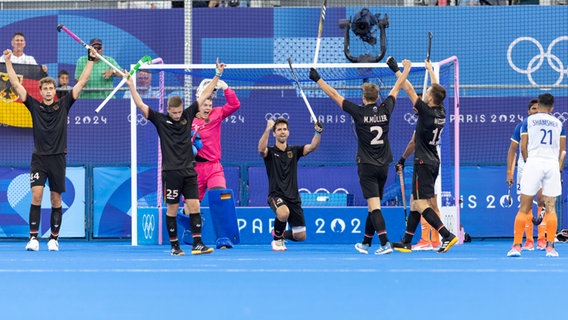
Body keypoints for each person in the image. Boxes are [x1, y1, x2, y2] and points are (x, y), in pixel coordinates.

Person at [124, 58, 226, 256]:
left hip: (189, 171)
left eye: (180, 112)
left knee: (194, 206)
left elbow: (205, 94)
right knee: (172, 210)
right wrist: (131, 85)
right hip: (171, 173)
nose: (178, 115)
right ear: (168, 110)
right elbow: (140, 105)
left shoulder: (188, 114)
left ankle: (197, 244)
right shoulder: (160, 120)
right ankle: (175, 246)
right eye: (175, 112)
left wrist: (217, 75)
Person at [308, 62, 410, 255]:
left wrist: (318, 79)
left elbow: (334, 95)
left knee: (374, 206)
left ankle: (385, 243)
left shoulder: (359, 112)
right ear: (378, 96)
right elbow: (398, 87)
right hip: (384, 166)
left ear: (363, 98)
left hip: (367, 167)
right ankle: (365, 243)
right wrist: (403, 69)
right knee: (374, 206)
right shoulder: (386, 108)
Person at [4, 47, 94, 252]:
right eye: (44, 89)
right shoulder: (34, 106)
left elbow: (81, 82)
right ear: (41, 91)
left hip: (58, 159)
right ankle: (33, 239)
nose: (47, 91)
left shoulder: (64, 105)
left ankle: (54, 238)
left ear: (54, 91)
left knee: (56, 199)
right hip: (39, 159)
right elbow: (16, 84)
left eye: (50, 89)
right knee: (36, 196)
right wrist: (8, 61)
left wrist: (90, 60)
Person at [386, 57, 458, 253]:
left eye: (426, 93)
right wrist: (430, 70)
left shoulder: (426, 112)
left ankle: (447, 235)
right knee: (414, 203)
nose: (424, 94)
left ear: (431, 98)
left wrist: (398, 70)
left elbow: (408, 89)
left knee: (420, 203)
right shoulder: (441, 111)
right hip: (433, 161)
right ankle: (407, 240)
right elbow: (437, 88)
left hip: (423, 161)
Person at [507, 93, 565, 257]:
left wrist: (529, 162)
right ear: (552, 108)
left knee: (524, 206)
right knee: (550, 207)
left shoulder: (528, 121)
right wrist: (558, 169)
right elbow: (562, 151)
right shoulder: (559, 123)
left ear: (538, 106)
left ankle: (517, 246)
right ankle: (550, 248)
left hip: (533, 162)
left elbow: (523, 147)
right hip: (552, 164)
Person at [258, 118, 323, 251]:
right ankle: (276, 241)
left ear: (288, 132)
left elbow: (312, 147)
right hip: (276, 195)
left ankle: (278, 233)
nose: (282, 132)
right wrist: (267, 129)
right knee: (283, 213)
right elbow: (261, 149)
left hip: (293, 197)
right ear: (274, 134)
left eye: (285, 129)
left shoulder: (294, 151)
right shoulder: (269, 152)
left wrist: (318, 133)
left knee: (300, 236)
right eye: (279, 129)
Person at [506, 98, 546, 251]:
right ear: (529, 111)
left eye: (538, 109)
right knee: (526, 204)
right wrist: (509, 172)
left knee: (542, 201)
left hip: (542, 165)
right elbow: (512, 150)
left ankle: (542, 239)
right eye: (533, 109)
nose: (536, 111)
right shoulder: (521, 126)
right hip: (525, 167)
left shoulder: (546, 127)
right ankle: (529, 240)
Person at [396, 131, 442, 251]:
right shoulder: (435, 120)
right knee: (423, 202)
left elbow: (413, 142)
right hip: (434, 161)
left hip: (425, 164)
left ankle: (429, 240)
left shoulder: (424, 123)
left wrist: (402, 159)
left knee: (425, 203)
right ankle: (432, 240)